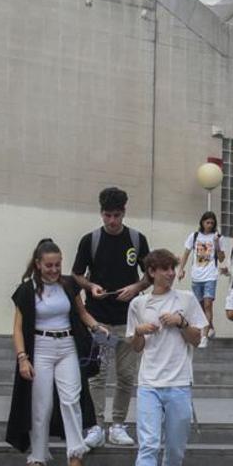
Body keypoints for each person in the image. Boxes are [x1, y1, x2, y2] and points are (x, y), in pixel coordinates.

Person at [5, 239, 104, 466]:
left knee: (71, 399)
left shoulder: (69, 285)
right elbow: (17, 329)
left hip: (68, 345)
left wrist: (96, 326)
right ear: (38, 264)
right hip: (40, 347)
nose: (54, 270)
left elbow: (81, 313)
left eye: (58, 265)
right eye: (49, 265)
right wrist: (22, 358)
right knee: (42, 404)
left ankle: (75, 455)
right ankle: (37, 455)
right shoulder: (27, 290)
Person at [127, 249, 207, 466]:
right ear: (152, 272)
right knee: (148, 444)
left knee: (175, 444)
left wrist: (181, 323)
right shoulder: (139, 303)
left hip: (179, 383)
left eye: (173, 268)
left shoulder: (185, 299)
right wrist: (139, 332)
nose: (171, 273)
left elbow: (198, 339)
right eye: (165, 269)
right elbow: (136, 348)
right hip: (149, 383)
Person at [71, 187, 151, 449]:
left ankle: (118, 424)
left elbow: (150, 275)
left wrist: (136, 288)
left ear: (124, 212)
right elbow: (76, 275)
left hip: (129, 320)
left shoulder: (137, 240)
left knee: (127, 375)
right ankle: (96, 425)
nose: (112, 221)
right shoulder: (90, 240)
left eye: (116, 215)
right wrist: (90, 286)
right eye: (107, 215)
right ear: (101, 213)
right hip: (98, 320)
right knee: (98, 375)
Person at [178, 211, 225, 348]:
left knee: (208, 304)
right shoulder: (194, 236)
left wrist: (216, 244)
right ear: (202, 222)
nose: (209, 225)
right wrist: (181, 269)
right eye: (207, 222)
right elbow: (186, 253)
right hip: (196, 275)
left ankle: (203, 337)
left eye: (212, 223)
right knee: (198, 306)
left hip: (211, 275)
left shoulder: (218, 237)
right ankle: (209, 327)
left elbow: (221, 258)